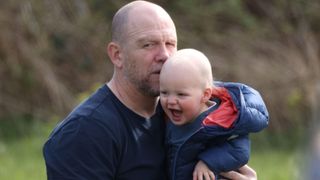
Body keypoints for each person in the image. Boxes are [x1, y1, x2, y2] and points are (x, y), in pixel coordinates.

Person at [43, 1, 264, 179]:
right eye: (148, 45)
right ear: (117, 55)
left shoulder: (187, 114)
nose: (165, 55)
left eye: (170, 44)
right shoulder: (84, 133)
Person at [160, 49, 268, 180]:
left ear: (205, 95)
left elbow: (240, 151)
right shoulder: (168, 117)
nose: (170, 101)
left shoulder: (222, 120)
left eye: (181, 94)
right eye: (164, 93)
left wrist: (208, 162)